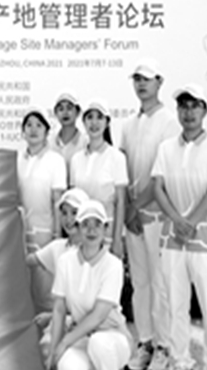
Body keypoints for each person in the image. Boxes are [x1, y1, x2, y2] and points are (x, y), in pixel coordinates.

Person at [152, 84, 207, 370]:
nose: (188, 112)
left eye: (195, 105)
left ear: (205, 110)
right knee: (176, 306)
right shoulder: (166, 148)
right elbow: (158, 188)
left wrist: (191, 223)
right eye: (183, 106)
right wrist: (177, 221)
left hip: (204, 241)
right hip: (173, 240)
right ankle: (181, 365)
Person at [119, 59, 180, 370]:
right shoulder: (129, 124)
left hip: (155, 215)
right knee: (140, 283)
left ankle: (164, 346)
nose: (141, 84)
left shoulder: (169, 122)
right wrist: (129, 209)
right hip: (133, 218)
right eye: (137, 79)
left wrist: (136, 207)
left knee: (160, 283)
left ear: (160, 82)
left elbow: (162, 174)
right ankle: (145, 342)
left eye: (147, 79)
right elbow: (122, 168)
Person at [46, 200, 132, 370]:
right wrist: (55, 349)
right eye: (85, 224)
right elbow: (59, 308)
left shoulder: (113, 265)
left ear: (106, 228)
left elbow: (99, 315)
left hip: (113, 338)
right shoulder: (65, 261)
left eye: (97, 224)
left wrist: (65, 342)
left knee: (99, 343)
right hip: (82, 337)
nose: (92, 230)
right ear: (77, 227)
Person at [69, 99, 128, 258]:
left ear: (107, 122)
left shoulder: (117, 157)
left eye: (99, 117)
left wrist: (117, 240)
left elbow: (120, 202)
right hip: (81, 234)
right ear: (83, 122)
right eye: (90, 117)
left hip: (106, 234)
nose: (94, 123)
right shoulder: (76, 159)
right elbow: (73, 201)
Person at [26, 187, 90, 313]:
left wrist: (52, 317)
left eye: (74, 212)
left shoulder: (93, 252)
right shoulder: (58, 247)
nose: (68, 219)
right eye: (64, 213)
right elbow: (28, 261)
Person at [17, 108, 67, 256]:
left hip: (46, 234)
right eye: (29, 125)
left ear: (46, 132)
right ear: (23, 131)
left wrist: (57, 236)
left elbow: (58, 202)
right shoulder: (17, 159)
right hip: (20, 232)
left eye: (39, 125)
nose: (33, 129)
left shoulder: (56, 160)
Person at [50, 91, 87, 174]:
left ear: (78, 112)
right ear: (56, 113)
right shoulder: (49, 142)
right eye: (61, 109)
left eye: (69, 108)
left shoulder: (85, 142)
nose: (65, 113)